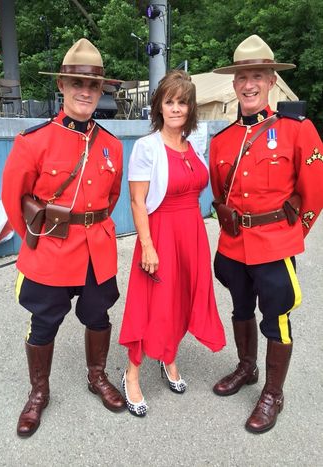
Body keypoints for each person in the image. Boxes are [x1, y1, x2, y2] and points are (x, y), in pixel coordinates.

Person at [2, 38, 125, 437]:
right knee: (43, 324)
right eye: (76, 84)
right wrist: (39, 240)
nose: (85, 92)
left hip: (97, 252)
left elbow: (111, 197)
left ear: (101, 88)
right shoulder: (33, 141)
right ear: (61, 86)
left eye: (92, 85)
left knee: (98, 316)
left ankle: (97, 376)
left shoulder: (110, 145)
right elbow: (13, 200)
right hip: (51, 251)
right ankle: (39, 393)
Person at [209, 34, 323, 433]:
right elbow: (218, 191)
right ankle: (246, 368)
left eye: (258, 75)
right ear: (235, 83)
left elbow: (313, 192)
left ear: (271, 80)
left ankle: (274, 393)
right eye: (243, 77)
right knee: (241, 309)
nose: (249, 84)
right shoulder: (222, 140)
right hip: (234, 244)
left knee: (277, 319)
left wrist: (293, 234)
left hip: (276, 244)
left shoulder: (297, 129)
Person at [119, 70, 226, 417]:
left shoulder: (194, 144)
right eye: (170, 101)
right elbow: (137, 202)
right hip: (160, 233)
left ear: (191, 108)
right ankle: (132, 374)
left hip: (191, 232)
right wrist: (147, 245)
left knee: (181, 298)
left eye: (183, 102)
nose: (176, 108)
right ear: (159, 106)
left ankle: (168, 356)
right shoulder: (146, 146)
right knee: (150, 303)